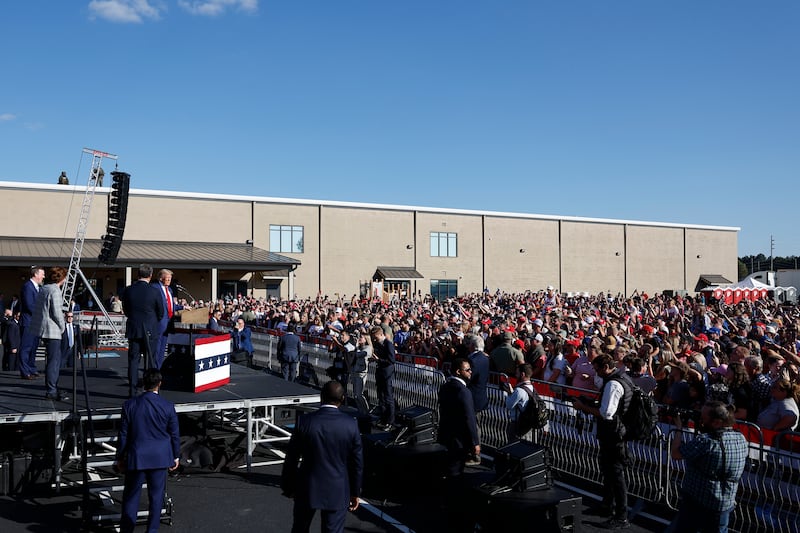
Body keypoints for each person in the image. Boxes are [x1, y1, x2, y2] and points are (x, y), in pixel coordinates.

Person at [281, 381, 363, 533]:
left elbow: (291, 458)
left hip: (307, 486)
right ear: (343, 398)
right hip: (337, 489)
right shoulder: (351, 425)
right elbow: (356, 463)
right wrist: (355, 492)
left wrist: (288, 486)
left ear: (321, 397)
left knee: (300, 528)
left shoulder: (305, 422)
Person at [116, 369, 180, 533]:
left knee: (131, 496)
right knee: (156, 497)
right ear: (159, 384)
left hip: (137, 456)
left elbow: (123, 434)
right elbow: (174, 434)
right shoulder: (168, 406)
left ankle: (127, 530)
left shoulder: (129, 405)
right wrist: (176, 455)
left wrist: (120, 457)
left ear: (143, 383)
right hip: (159, 457)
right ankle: (152, 530)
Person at [573, 354, 632, 529]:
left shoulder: (613, 383)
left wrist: (584, 407)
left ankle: (621, 516)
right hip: (613, 433)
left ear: (606, 366)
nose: (596, 373)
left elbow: (607, 413)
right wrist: (591, 402)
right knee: (608, 470)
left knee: (616, 473)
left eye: (597, 369)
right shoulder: (620, 378)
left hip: (614, 434)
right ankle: (607, 506)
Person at [669, 401, 748, 532]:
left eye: (703, 419)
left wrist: (679, 428)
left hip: (697, 501)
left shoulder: (707, 441)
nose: (700, 421)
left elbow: (676, 454)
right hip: (724, 502)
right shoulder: (741, 438)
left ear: (716, 422)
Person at [122, 264, 164, 398]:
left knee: (133, 361)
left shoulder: (128, 290)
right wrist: (151, 322)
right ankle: (150, 390)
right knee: (150, 361)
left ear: (138, 274)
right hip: (150, 329)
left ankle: (132, 391)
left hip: (134, 329)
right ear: (150, 276)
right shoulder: (155, 291)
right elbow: (161, 312)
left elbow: (126, 310)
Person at [28, 267, 69, 401]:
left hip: (43, 330)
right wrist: (63, 327)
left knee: (52, 360)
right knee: (54, 361)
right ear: (61, 278)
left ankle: (52, 387)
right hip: (53, 331)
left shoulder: (44, 289)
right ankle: (52, 390)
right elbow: (57, 313)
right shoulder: (55, 291)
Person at [18, 265, 45, 379]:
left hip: (35, 323)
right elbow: (29, 305)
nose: (43, 276)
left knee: (33, 347)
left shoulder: (37, 288)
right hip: (28, 322)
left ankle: (31, 368)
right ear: (36, 274)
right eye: (42, 274)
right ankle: (25, 371)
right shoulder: (27, 287)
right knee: (26, 347)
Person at [152, 269, 182, 369]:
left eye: (170, 278)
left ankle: (159, 370)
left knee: (162, 350)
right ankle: (154, 370)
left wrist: (183, 307)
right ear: (161, 278)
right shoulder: (155, 288)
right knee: (156, 349)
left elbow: (171, 306)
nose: (169, 280)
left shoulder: (169, 290)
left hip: (168, 323)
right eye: (167, 278)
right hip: (159, 323)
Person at [370, 326, 396, 430]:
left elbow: (391, 360)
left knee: (388, 398)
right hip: (380, 373)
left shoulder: (388, 344)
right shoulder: (378, 344)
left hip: (386, 374)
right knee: (381, 397)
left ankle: (390, 421)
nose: (375, 339)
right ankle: (383, 419)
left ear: (381, 334)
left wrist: (379, 360)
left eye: (376, 337)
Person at [504, 363, 536, 442]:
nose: (515, 375)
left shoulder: (519, 390)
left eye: (517, 373)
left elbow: (508, 405)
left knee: (514, 449)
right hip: (528, 425)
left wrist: (509, 393)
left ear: (522, 374)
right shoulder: (532, 388)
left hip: (518, 425)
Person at [466, 334, 490, 415]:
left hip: (472, 398)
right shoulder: (485, 358)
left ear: (472, 345)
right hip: (481, 397)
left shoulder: (473, 360)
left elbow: (468, 378)